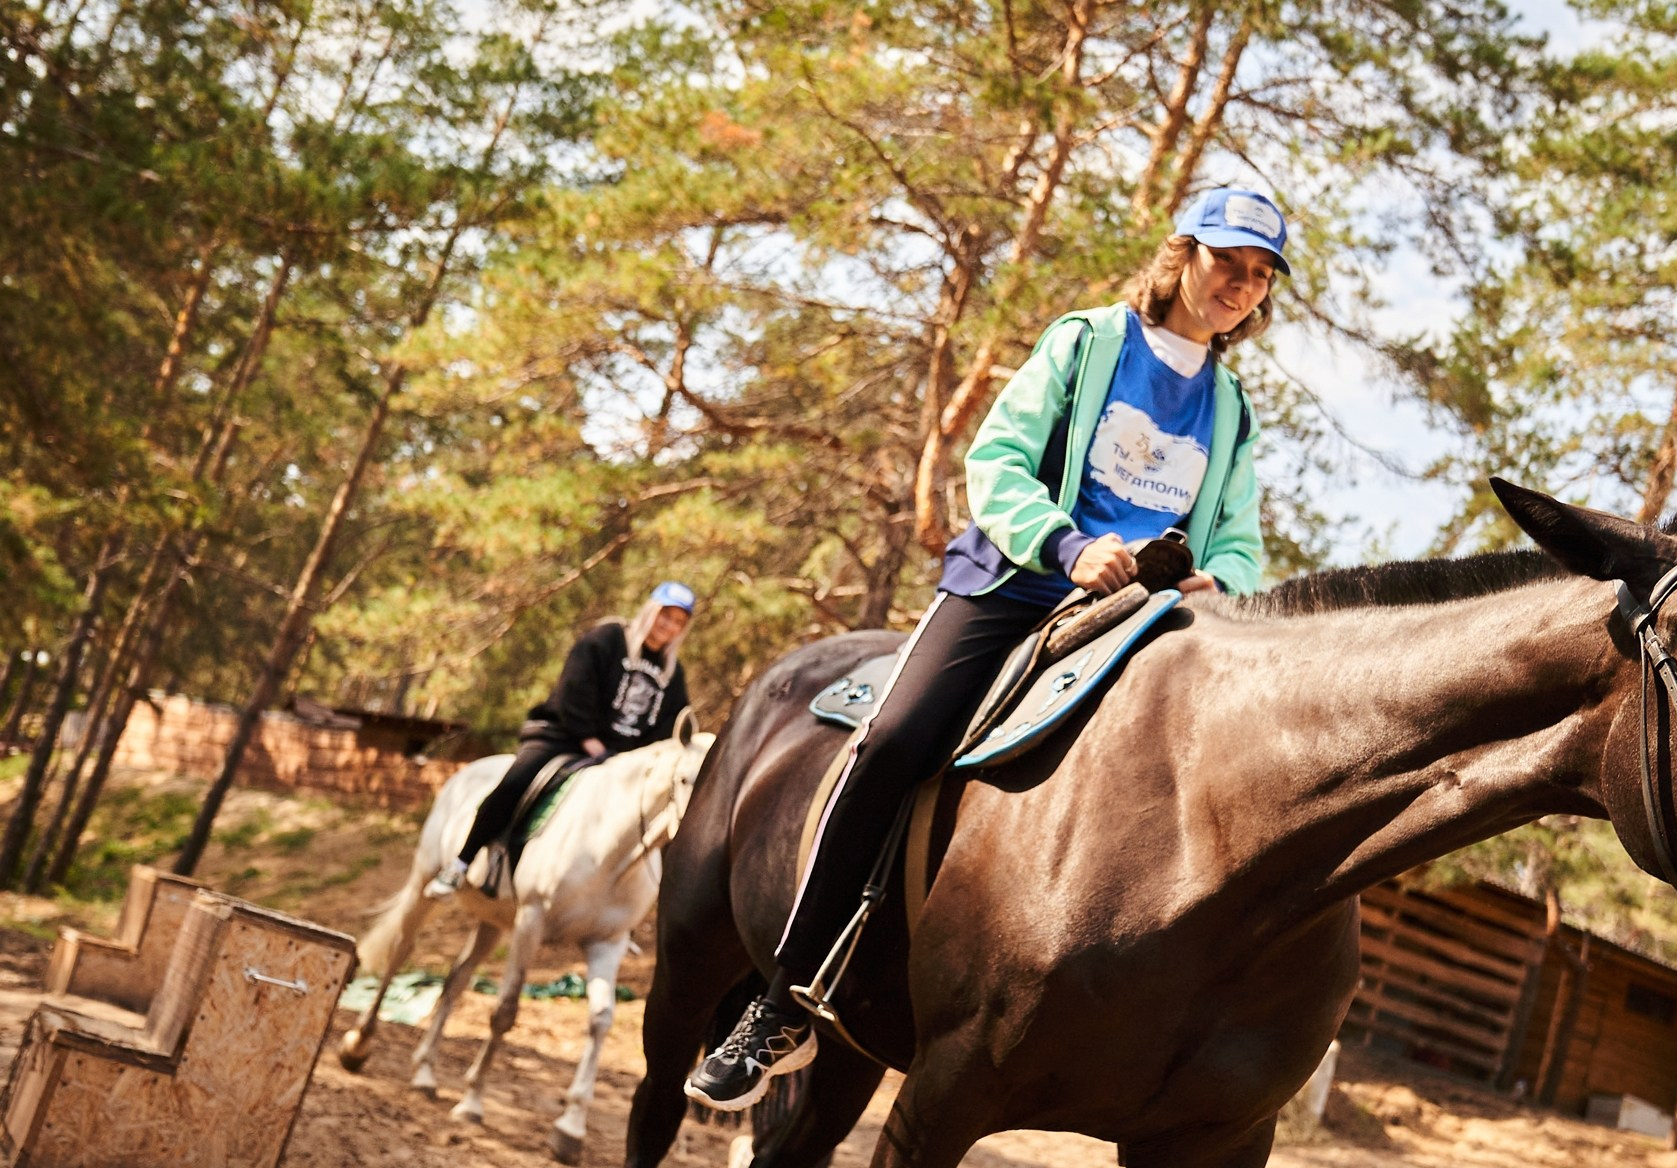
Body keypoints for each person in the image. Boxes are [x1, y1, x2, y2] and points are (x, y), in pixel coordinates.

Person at [685, 187, 1287, 1111]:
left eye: (1258, 277)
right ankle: (779, 1007)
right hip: (1020, 584)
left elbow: (1238, 538)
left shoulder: (1234, 409)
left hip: (1146, 618)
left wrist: (1221, 580)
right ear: (1183, 258)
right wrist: (1071, 544)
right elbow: (998, 459)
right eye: (1226, 263)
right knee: (891, 743)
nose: (1238, 287)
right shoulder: (1087, 342)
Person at [427, 581, 694, 899]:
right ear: (651, 610)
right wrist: (588, 738)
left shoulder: (672, 674)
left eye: (678, 622)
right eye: (666, 615)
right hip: (564, 737)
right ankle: (460, 862)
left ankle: (621, 905)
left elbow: (668, 726)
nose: (669, 626)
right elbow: (574, 686)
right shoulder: (608, 638)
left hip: (621, 761)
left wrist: (639, 760)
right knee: (516, 782)